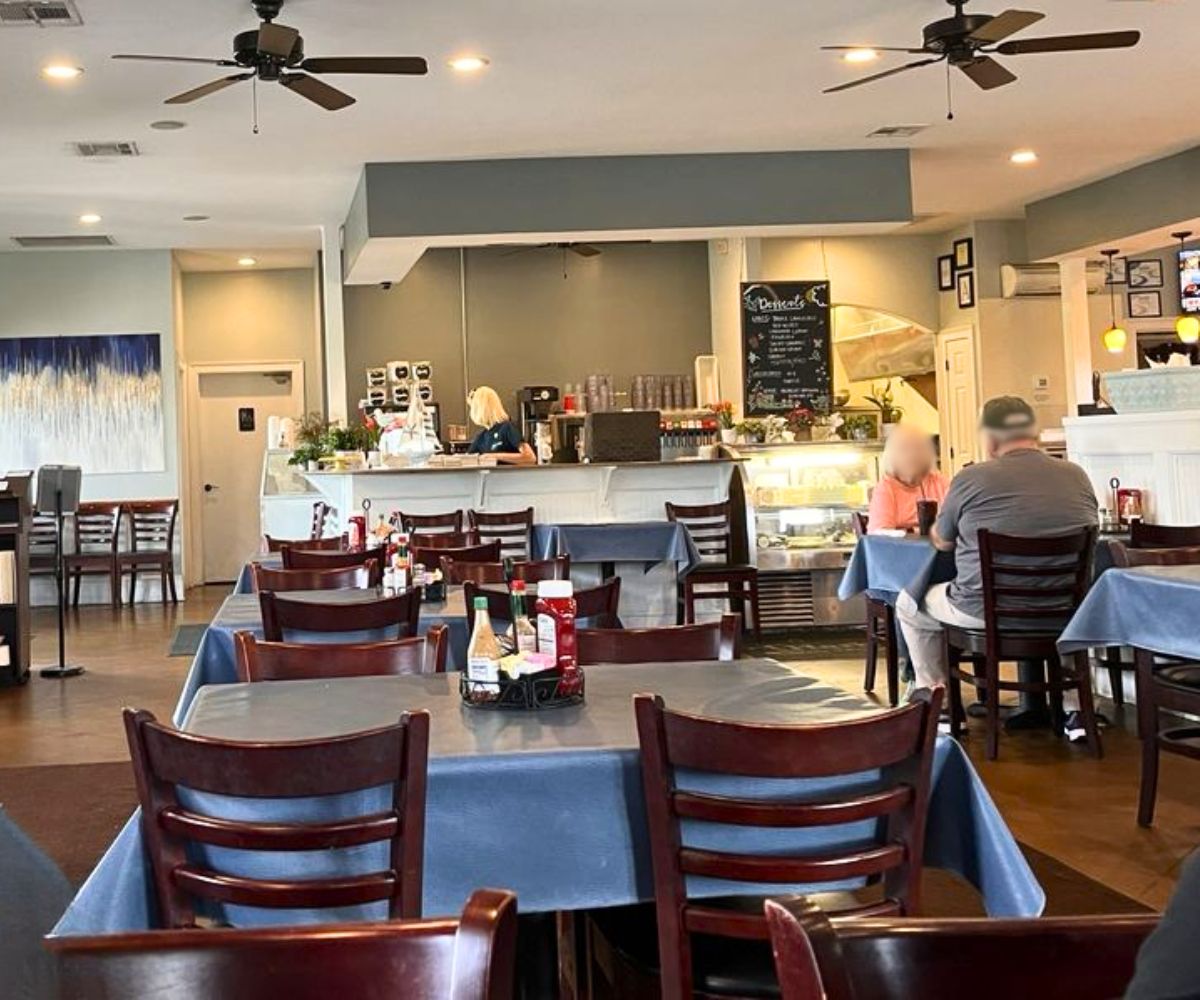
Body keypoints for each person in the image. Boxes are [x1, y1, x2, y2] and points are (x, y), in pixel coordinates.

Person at [896, 396, 1098, 740]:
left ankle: (938, 703)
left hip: (985, 612)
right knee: (1056, 616)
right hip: (1065, 612)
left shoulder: (972, 478)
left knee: (909, 604)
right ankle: (1074, 710)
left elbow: (943, 541)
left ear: (989, 437)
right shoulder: (1076, 474)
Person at [868, 425, 950, 533]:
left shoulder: (941, 483)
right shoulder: (886, 488)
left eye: (918, 448)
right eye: (904, 449)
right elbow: (879, 533)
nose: (912, 455)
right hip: (899, 549)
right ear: (892, 456)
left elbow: (955, 525)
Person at [467, 386, 536, 465]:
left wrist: (494, 456)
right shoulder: (481, 437)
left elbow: (530, 458)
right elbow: (466, 460)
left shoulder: (507, 428)